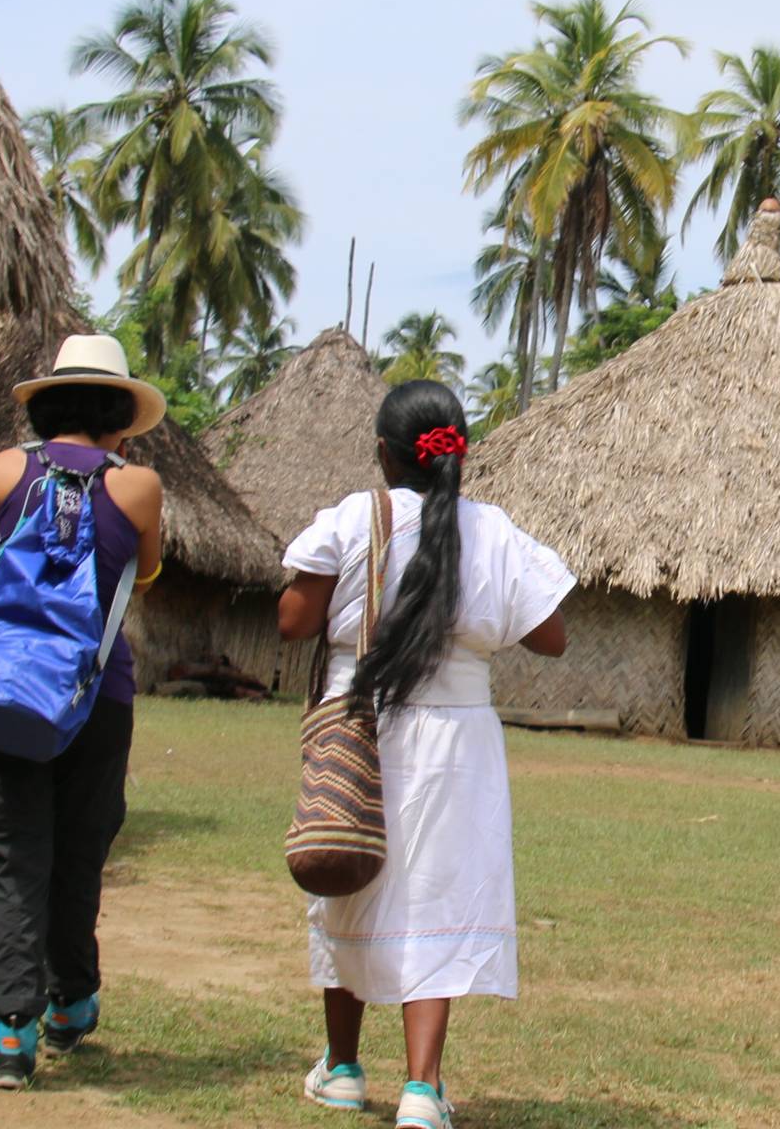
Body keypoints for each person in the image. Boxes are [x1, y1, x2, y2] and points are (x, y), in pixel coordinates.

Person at [279, 381, 572, 1129]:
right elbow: (550, 635)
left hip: (361, 730)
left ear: (383, 454)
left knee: (348, 872)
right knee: (437, 896)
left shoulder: (353, 519)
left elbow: (294, 621)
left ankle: (342, 1070)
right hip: (458, 740)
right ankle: (422, 1088)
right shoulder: (492, 530)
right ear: (457, 456)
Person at [0, 334, 166, 1091]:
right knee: (80, 845)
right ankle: (73, 1001)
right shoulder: (140, 488)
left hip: (4, 690)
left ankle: (10, 1033)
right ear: (118, 415)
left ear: (47, 405)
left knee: (11, 852)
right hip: (95, 691)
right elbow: (147, 569)